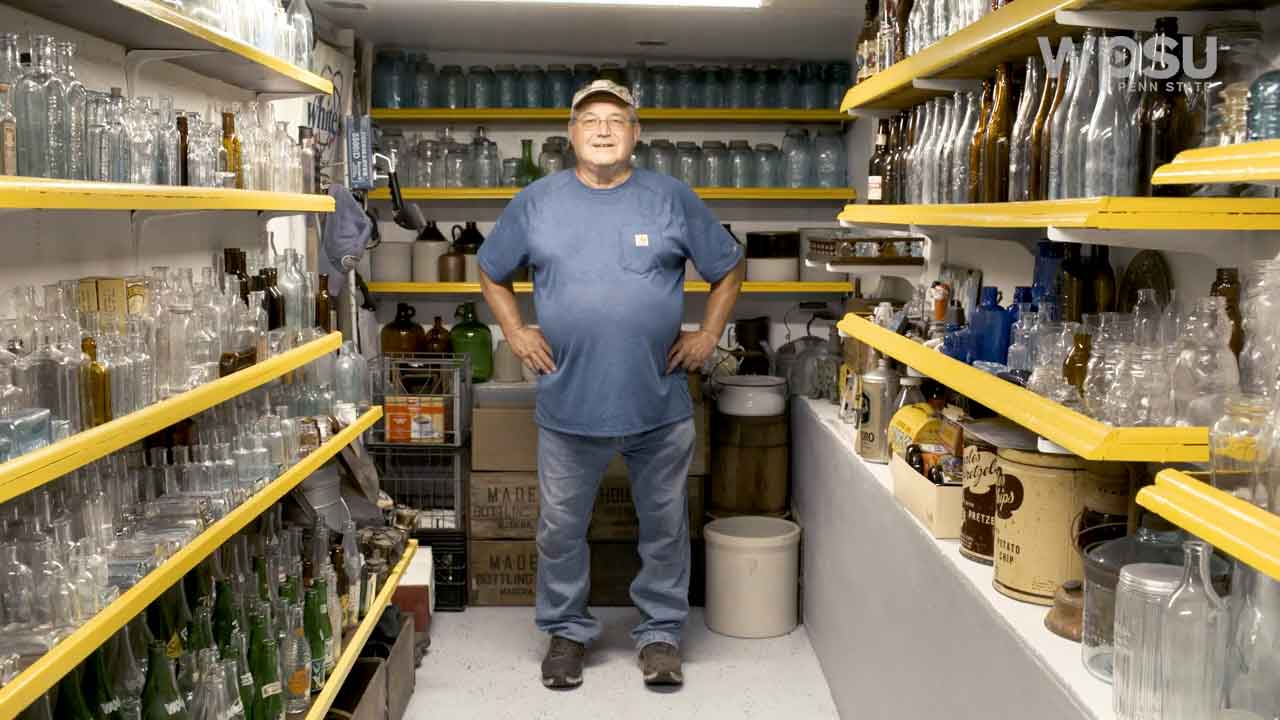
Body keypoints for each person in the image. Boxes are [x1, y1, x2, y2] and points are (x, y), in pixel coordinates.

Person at [478, 79, 745, 690]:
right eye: (590, 119)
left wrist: (708, 334)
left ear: (636, 134)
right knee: (561, 529)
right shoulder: (537, 202)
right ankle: (567, 631)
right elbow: (492, 271)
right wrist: (516, 331)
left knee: (665, 526)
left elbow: (729, 266)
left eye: (616, 120)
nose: (603, 129)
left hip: (659, 402)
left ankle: (660, 635)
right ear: (570, 134)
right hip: (569, 405)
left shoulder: (671, 198)